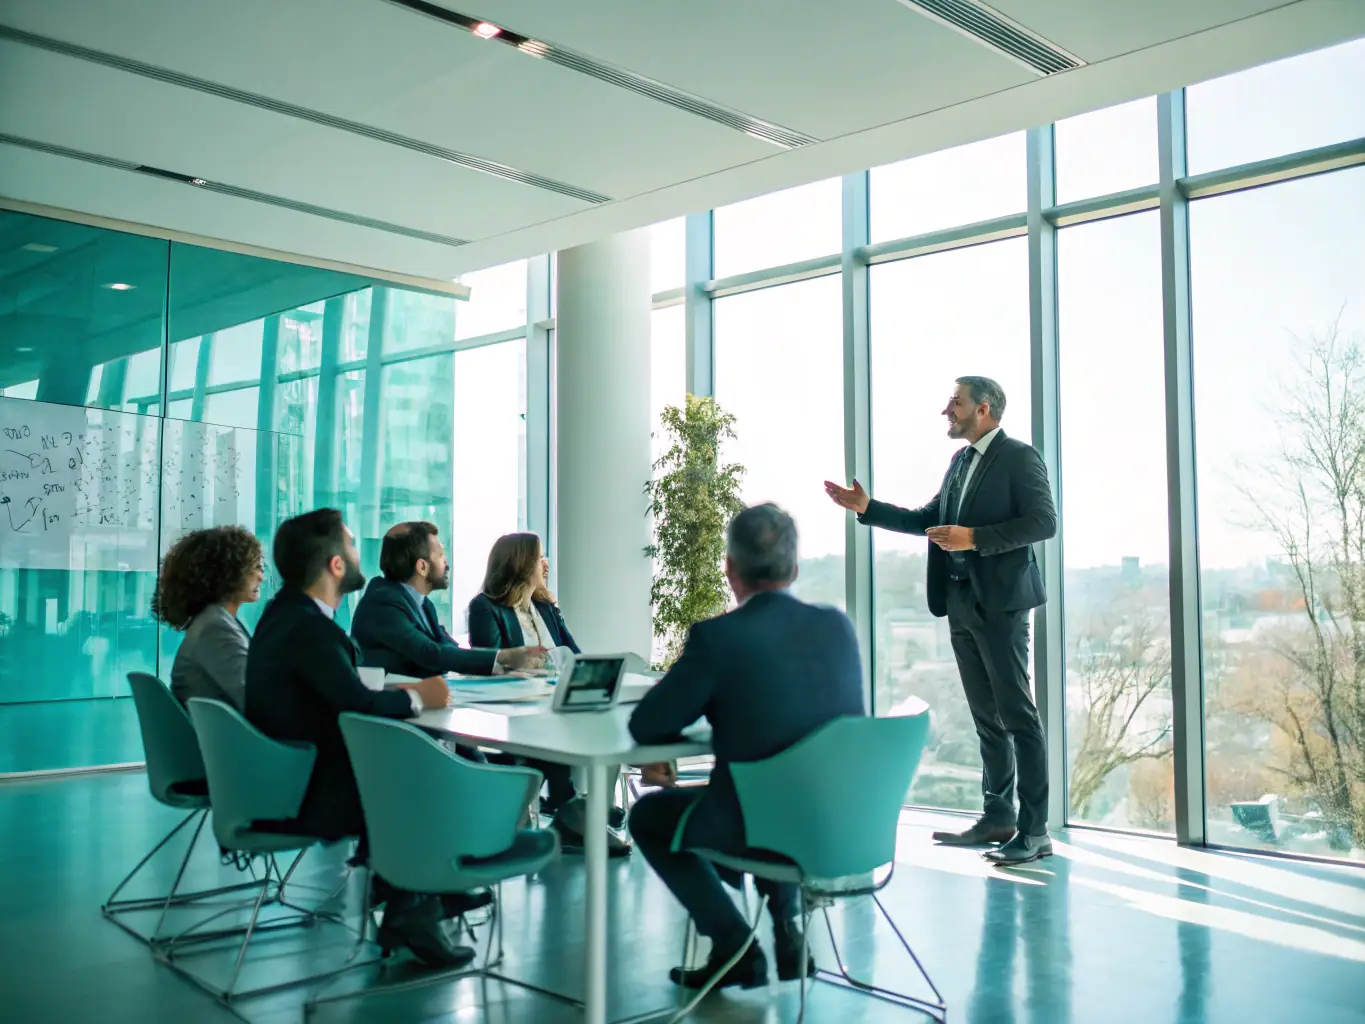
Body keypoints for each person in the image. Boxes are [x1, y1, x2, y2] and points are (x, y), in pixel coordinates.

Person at [628, 503, 865, 990]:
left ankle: (733, 942)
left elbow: (648, 722)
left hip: (757, 826)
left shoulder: (720, 638)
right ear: (795, 569)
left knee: (648, 818)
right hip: (842, 823)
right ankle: (787, 930)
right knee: (775, 786)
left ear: (730, 570)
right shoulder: (838, 627)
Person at [824, 375, 1057, 866]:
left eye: (956, 402)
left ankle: (1036, 832)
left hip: (1001, 606)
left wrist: (973, 538)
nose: (946, 410)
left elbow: (1043, 522)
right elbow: (929, 518)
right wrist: (869, 509)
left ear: (985, 408)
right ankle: (999, 817)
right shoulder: (959, 462)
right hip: (960, 603)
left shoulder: (1019, 457)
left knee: (1018, 716)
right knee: (986, 719)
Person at [244, 508, 482, 969]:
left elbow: (340, 691)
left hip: (283, 777)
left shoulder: (286, 617)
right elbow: (355, 702)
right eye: (351, 545)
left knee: (404, 769)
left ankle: (413, 895)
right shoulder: (309, 628)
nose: (359, 555)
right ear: (335, 565)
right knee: (421, 775)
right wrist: (420, 695)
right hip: (305, 794)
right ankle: (416, 901)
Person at [467, 533, 630, 856]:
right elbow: (489, 662)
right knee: (555, 728)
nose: (546, 563)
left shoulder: (545, 607)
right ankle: (573, 808)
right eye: (540, 556)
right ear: (521, 562)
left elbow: (574, 653)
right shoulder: (485, 607)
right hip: (518, 711)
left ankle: (580, 806)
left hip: (554, 702)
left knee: (606, 716)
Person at [351, 522, 546, 679]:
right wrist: (506, 658)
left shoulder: (423, 605)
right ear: (421, 566)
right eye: (441, 555)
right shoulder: (382, 602)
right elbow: (430, 653)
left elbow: (448, 648)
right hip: (395, 716)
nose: (447, 563)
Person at [151, 525, 264, 710]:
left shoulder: (212, 621)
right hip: (230, 737)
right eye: (256, 567)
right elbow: (256, 699)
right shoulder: (215, 628)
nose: (261, 577)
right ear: (226, 572)